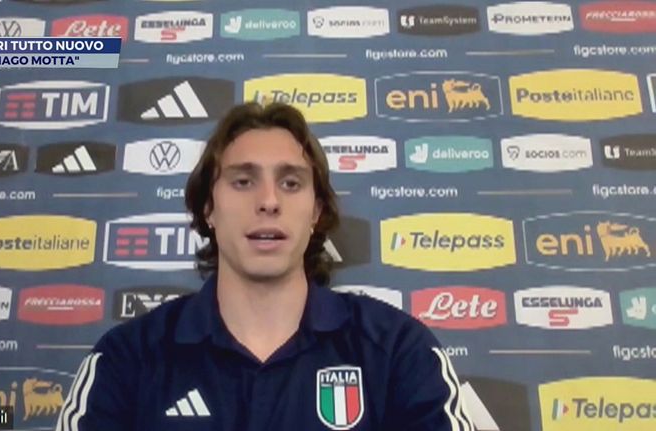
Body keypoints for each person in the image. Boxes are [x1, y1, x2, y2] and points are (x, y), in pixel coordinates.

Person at [55, 102, 473, 431]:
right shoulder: (127, 359)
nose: (269, 201)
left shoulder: (397, 351)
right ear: (208, 207)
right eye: (243, 181)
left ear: (316, 211)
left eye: (291, 183)